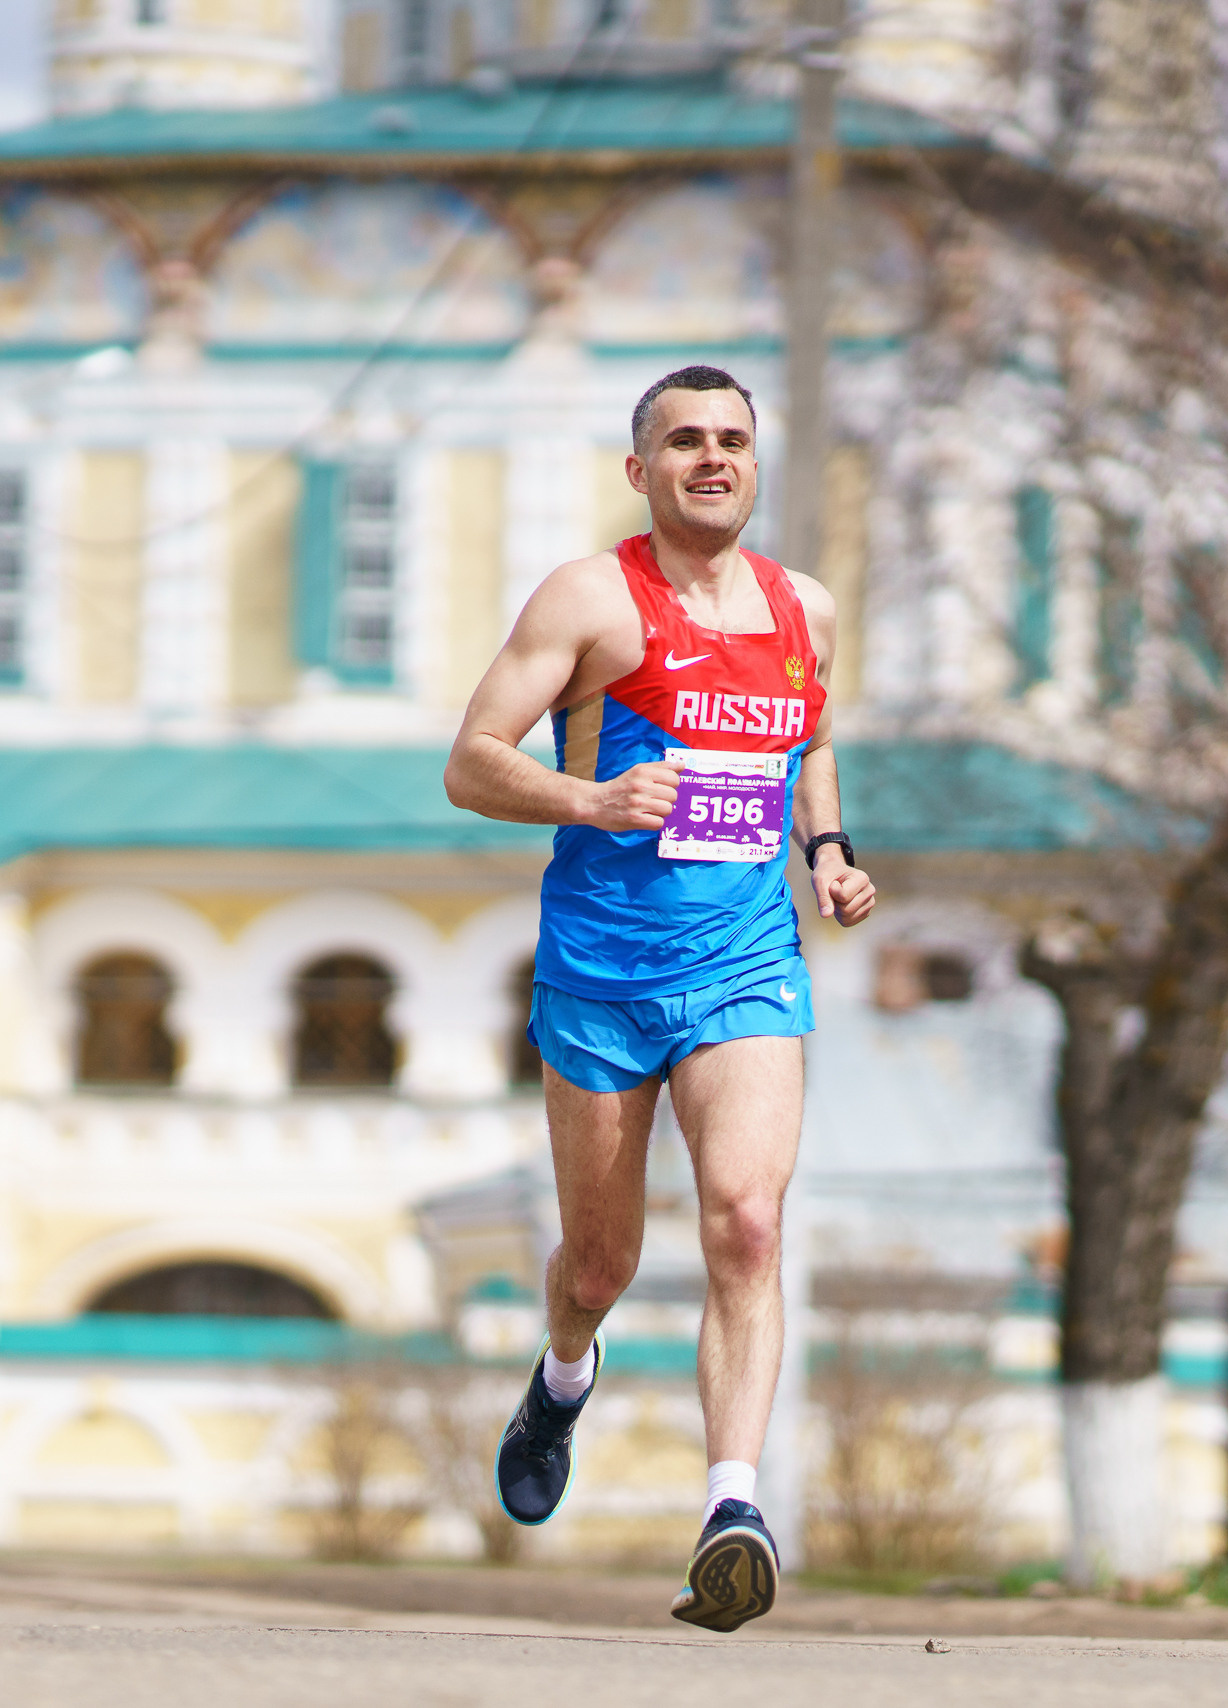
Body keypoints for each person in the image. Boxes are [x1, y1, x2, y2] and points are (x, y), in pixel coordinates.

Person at [445, 365, 877, 1631]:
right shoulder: (592, 598)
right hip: (599, 970)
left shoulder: (806, 606)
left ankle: (732, 1509)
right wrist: (590, 799)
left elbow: (809, 741)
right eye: (684, 441)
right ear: (641, 469)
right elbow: (472, 760)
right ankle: (561, 1378)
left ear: (757, 462)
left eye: (733, 441)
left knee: (745, 1222)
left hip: (746, 960)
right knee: (601, 1259)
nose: (712, 459)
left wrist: (830, 853)